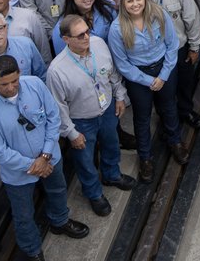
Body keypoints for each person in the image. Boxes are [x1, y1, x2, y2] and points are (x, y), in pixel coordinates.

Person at [0, 54, 90, 261]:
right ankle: (33, 251)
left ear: (19, 74)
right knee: (23, 214)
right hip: (19, 174)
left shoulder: (35, 85)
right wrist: (34, 165)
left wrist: (46, 154)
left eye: (14, 81)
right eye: (4, 84)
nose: (10, 88)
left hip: (50, 160)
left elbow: (52, 117)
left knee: (58, 190)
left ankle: (60, 221)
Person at [47, 15, 134, 215]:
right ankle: (94, 193)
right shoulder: (57, 71)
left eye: (87, 31)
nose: (86, 37)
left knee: (111, 144)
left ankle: (111, 174)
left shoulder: (99, 44)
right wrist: (71, 133)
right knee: (85, 160)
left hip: (107, 110)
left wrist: (119, 96)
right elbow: (58, 106)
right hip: (82, 121)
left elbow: (111, 73)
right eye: (80, 35)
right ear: (66, 39)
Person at [107, 0, 188, 183]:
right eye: (130, 0)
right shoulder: (117, 29)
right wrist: (149, 80)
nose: (135, 4)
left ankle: (175, 142)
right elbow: (122, 64)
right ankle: (145, 157)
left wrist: (163, 75)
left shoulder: (159, 15)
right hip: (138, 76)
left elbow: (172, 45)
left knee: (169, 107)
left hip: (163, 69)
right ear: (123, 4)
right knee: (142, 118)